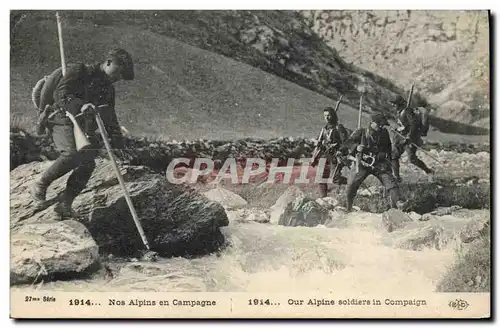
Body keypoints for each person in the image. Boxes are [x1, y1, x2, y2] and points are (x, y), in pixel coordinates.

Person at [29, 48, 134, 219]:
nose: (119, 77)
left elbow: (109, 116)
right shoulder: (80, 71)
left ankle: (64, 205)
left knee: (88, 163)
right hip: (60, 116)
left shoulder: (108, 90)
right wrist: (81, 106)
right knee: (71, 153)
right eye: (119, 71)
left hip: (80, 126)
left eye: (122, 75)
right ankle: (40, 184)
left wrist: (118, 144)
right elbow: (60, 94)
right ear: (108, 62)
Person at [339, 113, 404, 212]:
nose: (381, 126)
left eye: (382, 124)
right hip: (362, 163)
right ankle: (348, 208)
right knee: (351, 185)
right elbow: (348, 143)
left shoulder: (384, 133)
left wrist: (385, 158)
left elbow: (388, 149)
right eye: (379, 124)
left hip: (379, 163)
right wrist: (356, 147)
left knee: (391, 183)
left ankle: (399, 204)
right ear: (372, 123)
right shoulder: (361, 132)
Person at [390, 96, 434, 182]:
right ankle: (397, 178)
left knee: (412, 159)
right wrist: (396, 129)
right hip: (400, 137)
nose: (393, 105)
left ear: (399, 104)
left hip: (410, 138)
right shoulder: (398, 112)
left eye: (394, 104)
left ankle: (429, 172)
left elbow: (414, 124)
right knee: (394, 156)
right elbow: (403, 125)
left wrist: (409, 136)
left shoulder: (407, 111)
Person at [311, 106, 349, 197]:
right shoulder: (324, 129)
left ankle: (351, 182)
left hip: (335, 155)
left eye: (329, 115)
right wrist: (315, 153)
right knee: (320, 178)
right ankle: (323, 198)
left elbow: (346, 142)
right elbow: (318, 142)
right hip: (324, 154)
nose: (327, 118)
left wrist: (339, 147)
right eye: (325, 116)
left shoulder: (339, 128)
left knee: (334, 179)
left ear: (333, 116)